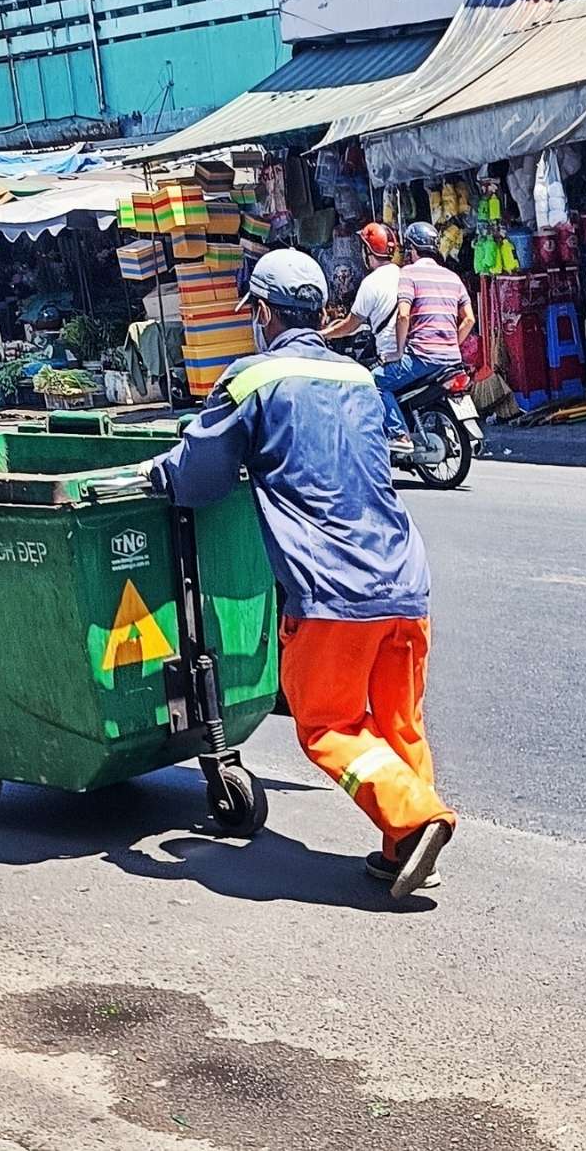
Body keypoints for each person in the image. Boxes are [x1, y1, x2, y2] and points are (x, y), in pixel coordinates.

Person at [143, 248, 455, 898]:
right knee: (398, 722)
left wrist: (159, 474)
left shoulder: (252, 379)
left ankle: (416, 815)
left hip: (332, 589)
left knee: (328, 725)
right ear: (320, 311)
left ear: (261, 311)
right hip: (404, 577)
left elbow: (198, 478)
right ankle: (402, 846)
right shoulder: (361, 380)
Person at [380, 221, 474, 451]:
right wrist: (452, 344)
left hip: (422, 359)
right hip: (452, 361)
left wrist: (398, 352)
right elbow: (469, 319)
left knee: (375, 383)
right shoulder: (453, 277)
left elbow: (403, 316)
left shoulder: (408, 274)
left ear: (412, 250)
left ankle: (400, 435)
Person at [321, 222, 402, 367]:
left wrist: (323, 334)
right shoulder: (403, 274)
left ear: (367, 251)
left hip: (389, 356)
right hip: (407, 354)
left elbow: (350, 325)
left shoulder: (371, 282)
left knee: (365, 388)